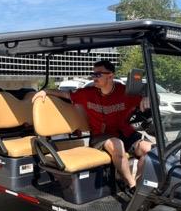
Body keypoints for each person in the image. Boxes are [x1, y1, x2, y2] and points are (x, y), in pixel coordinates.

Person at [34, 59, 151, 193]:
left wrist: (146, 97)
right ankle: (132, 188)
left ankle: (141, 188)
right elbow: (66, 94)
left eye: (98, 74)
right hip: (100, 137)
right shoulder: (87, 93)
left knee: (149, 150)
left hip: (125, 133)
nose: (93, 77)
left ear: (110, 76)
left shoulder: (124, 92)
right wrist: (46, 91)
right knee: (117, 145)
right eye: (93, 74)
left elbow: (146, 95)